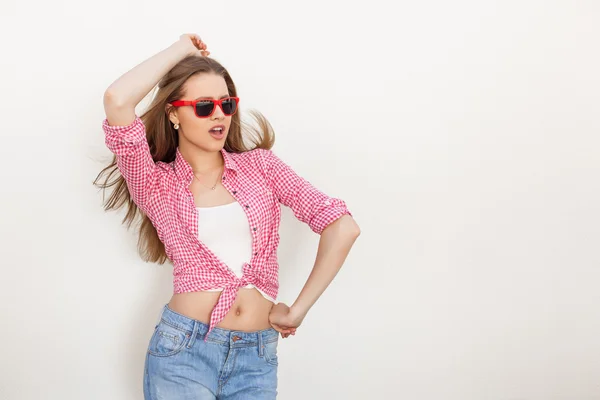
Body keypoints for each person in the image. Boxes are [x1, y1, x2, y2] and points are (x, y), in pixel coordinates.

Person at [94, 33, 361, 399]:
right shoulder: (155, 184)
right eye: (204, 106)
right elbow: (117, 100)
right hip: (182, 353)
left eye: (226, 103)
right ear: (174, 113)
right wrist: (182, 50)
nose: (219, 114)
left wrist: (298, 310)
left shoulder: (262, 167)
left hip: (257, 359)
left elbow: (342, 226)